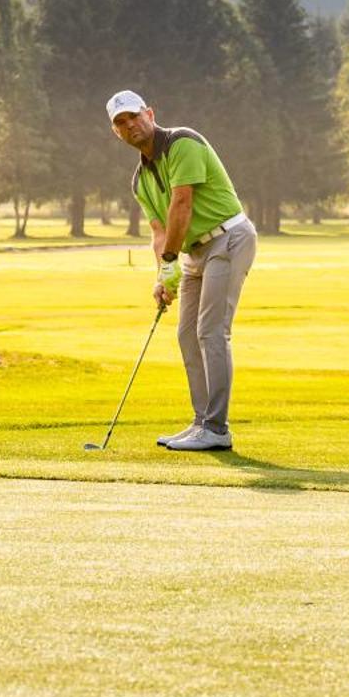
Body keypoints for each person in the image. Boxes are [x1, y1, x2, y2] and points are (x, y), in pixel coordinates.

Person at [106, 89, 257, 451]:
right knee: (186, 335)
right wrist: (163, 275)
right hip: (192, 253)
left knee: (210, 332)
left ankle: (217, 428)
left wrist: (172, 261)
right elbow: (159, 231)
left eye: (134, 116)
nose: (131, 126)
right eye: (121, 123)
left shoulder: (183, 143)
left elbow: (182, 203)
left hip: (229, 238)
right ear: (117, 133)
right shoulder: (139, 180)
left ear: (150, 113)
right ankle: (201, 421)